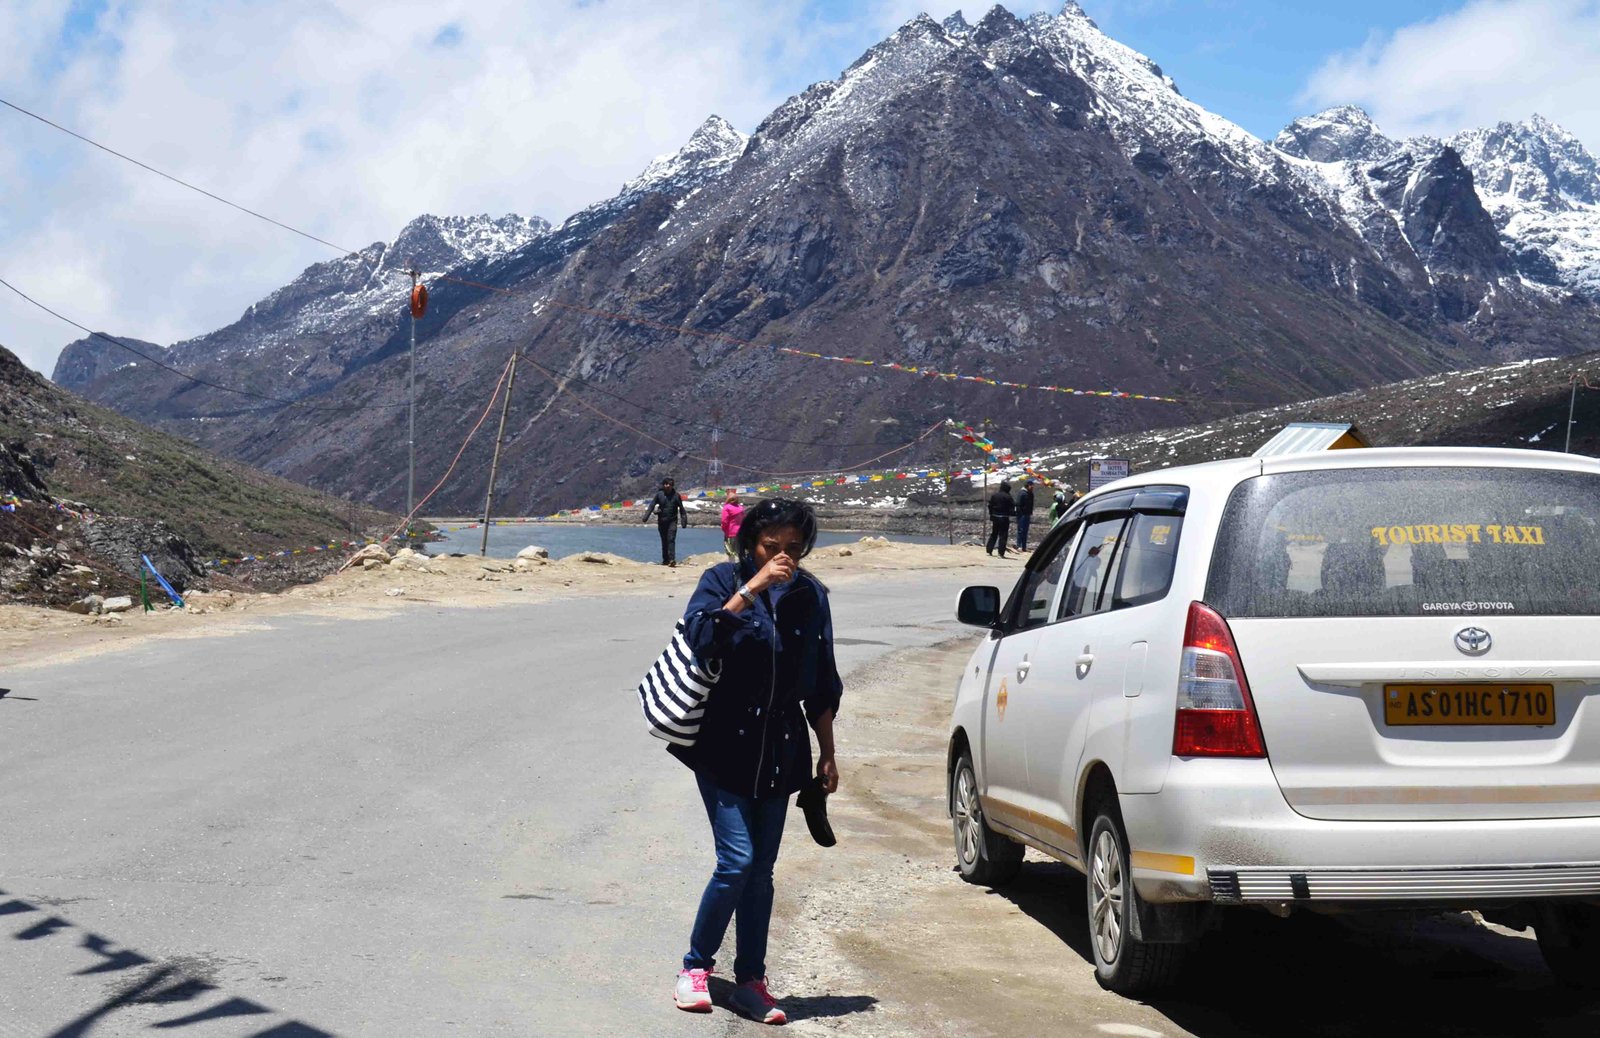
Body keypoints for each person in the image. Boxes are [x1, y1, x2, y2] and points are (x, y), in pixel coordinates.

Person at [671, 499, 842, 1024]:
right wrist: (753, 589)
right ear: (751, 544)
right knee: (738, 861)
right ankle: (695, 968)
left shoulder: (812, 596)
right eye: (773, 547)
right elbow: (701, 636)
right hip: (724, 742)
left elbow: (822, 679)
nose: (784, 557)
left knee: (762, 873)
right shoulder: (722, 580)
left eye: (794, 548)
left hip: (783, 746)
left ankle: (751, 981)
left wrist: (829, 752)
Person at [643, 477, 690, 567]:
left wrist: (684, 522)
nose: (666, 486)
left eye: (668, 484)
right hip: (662, 522)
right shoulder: (659, 495)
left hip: (672, 521)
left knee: (671, 539)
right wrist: (646, 517)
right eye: (665, 484)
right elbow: (651, 505)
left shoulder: (676, 496)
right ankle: (665, 560)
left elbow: (682, 509)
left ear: (672, 485)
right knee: (664, 541)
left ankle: (672, 560)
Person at [986, 480, 1013, 558]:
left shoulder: (995, 496)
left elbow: (990, 506)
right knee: (1003, 535)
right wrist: (1012, 513)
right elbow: (1012, 507)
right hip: (1004, 518)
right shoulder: (1008, 497)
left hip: (995, 517)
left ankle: (989, 550)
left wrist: (991, 514)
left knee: (994, 534)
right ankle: (1000, 553)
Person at [719, 492, 745, 559]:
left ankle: (732, 566)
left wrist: (724, 529)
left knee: (730, 552)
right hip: (740, 533)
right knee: (739, 551)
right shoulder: (740, 508)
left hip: (730, 533)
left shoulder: (727, 508)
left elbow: (724, 521)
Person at [1014, 478, 1036, 552]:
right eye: (1031, 485)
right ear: (1027, 486)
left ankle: (1024, 546)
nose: (1032, 487)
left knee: (1025, 531)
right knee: (1021, 530)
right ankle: (1019, 545)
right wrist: (1020, 514)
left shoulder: (1030, 494)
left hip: (1027, 514)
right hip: (1022, 515)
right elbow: (1018, 504)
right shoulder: (1022, 493)